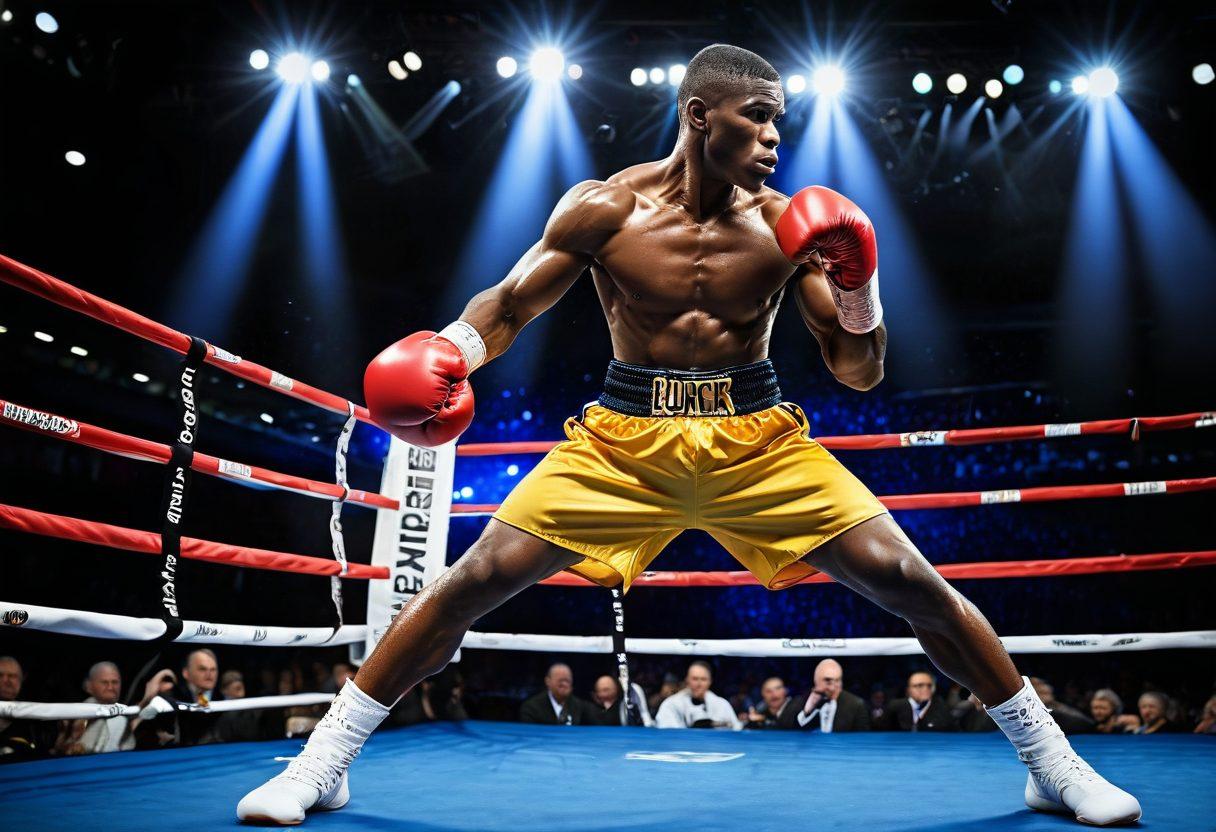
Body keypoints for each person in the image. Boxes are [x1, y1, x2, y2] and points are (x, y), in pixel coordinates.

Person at [238, 43, 1140, 826]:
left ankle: (1052, 769)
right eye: (760, 119)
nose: (777, 139)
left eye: (781, 121)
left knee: (916, 583)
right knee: (469, 582)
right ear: (700, 115)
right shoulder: (605, 209)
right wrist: (455, 350)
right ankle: (321, 765)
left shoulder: (789, 228)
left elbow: (857, 370)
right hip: (623, 440)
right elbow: (511, 304)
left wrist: (861, 286)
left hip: (757, 439)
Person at [654, 661, 739, 730]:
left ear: (710, 682)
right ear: (687, 680)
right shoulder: (671, 704)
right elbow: (667, 733)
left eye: (703, 679)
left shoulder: (722, 704)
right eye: (695, 679)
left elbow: (734, 729)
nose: (699, 684)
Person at [793, 659, 870, 732]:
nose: (833, 688)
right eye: (827, 681)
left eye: (837, 680)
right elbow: (795, 734)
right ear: (816, 680)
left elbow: (862, 740)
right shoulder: (803, 700)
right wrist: (807, 711)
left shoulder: (856, 705)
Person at [518, 663, 594, 725]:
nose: (564, 684)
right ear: (547, 681)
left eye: (567, 681)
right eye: (560, 681)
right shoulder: (532, 708)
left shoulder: (580, 706)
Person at [879, 671, 957, 732]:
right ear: (908, 690)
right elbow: (880, 729)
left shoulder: (941, 707)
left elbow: (952, 730)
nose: (925, 688)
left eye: (929, 685)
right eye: (920, 685)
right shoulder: (895, 706)